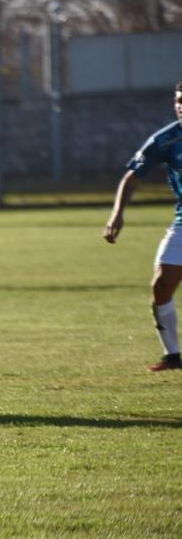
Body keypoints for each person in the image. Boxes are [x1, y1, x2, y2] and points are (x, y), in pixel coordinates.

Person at [103, 82, 182, 372]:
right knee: (161, 285)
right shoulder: (166, 140)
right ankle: (173, 355)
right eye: (178, 100)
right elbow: (132, 178)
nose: (180, 106)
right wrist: (116, 216)